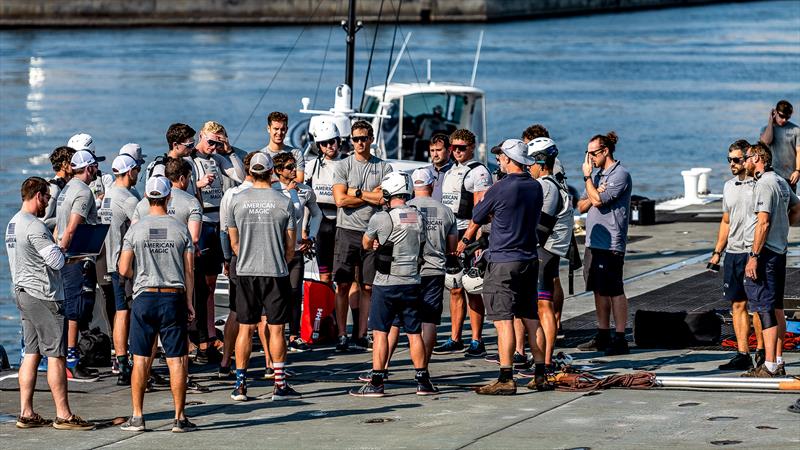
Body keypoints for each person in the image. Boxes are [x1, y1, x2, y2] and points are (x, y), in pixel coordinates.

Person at [6, 177, 94, 430]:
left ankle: (26, 412)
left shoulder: (12, 224)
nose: (48, 203)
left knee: (31, 353)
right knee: (57, 354)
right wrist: (72, 257)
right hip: (43, 296)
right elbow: (55, 262)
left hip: (22, 293)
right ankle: (64, 415)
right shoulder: (35, 226)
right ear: (38, 196)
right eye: (47, 197)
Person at [118, 176, 197, 433]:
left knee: (140, 359)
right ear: (168, 197)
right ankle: (179, 418)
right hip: (173, 296)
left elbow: (123, 268)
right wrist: (189, 302)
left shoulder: (136, 229)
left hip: (145, 296)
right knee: (177, 360)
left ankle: (138, 417)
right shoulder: (180, 229)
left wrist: (141, 275)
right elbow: (189, 271)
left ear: (147, 199)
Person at [350, 171, 437, 397]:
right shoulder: (418, 216)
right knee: (414, 333)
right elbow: (422, 242)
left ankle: (377, 381)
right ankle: (423, 380)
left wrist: (379, 243)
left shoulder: (381, 217)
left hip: (387, 283)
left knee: (380, 332)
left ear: (389, 192)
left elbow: (366, 243)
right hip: (412, 281)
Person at [226, 152, 300, 401]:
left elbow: (234, 244)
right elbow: (291, 247)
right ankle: (279, 384)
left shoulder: (236, 200)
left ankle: (240, 385)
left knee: (245, 328)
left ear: (251, 172)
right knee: (277, 329)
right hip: (275, 271)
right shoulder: (284, 201)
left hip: (246, 271)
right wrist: (278, 258)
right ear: (271, 173)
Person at [473, 139, 543, 395]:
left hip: (503, 259)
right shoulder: (535, 186)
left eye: (501, 156)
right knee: (531, 317)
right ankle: (541, 373)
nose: (498, 160)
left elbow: (478, 214)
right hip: (528, 258)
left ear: (509, 159)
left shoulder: (501, 187)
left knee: (503, 321)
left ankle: (505, 377)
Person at [331, 120, 393, 352]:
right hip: (346, 231)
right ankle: (341, 334)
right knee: (343, 285)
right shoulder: (343, 165)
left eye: (363, 138)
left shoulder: (384, 167)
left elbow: (383, 199)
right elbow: (340, 200)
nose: (359, 142)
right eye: (355, 139)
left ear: (371, 139)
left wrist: (354, 192)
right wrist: (368, 195)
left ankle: (361, 334)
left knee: (368, 287)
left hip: (372, 232)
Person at [741, 142, 800, 377]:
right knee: (776, 307)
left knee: (764, 307)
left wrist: (754, 256)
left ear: (757, 157)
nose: (744, 162)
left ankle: (769, 365)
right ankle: (777, 360)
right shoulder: (780, 181)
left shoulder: (765, 183)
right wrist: (783, 224)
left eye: (746, 157)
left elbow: (763, 222)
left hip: (764, 253)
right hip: (778, 251)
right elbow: (797, 209)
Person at [191, 121, 245, 364]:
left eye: (218, 142)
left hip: (217, 222)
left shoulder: (218, 158)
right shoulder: (192, 159)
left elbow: (241, 177)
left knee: (212, 284)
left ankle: (211, 335)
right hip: (200, 220)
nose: (213, 147)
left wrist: (229, 150)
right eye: (210, 142)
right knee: (199, 285)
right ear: (201, 136)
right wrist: (198, 185)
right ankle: (199, 337)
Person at [435, 129, 492, 357]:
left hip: (469, 233)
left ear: (471, 148)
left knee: (472, 287)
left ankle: (477, 340)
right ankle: (455, 337)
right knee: (454, 287)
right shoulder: (450, 171)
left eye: (461, 148)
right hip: (451, 232)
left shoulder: (479, 172)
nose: (457, 152)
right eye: (453, 148)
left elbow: (481, 211)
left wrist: (472, 240)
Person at [576, 132, 633, 356]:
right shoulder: (597, 176)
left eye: (593, 154)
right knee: (598, 289)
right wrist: (593, 190)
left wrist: (588, 181)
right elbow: (581, 206)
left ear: (605, 151)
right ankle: (602, 333)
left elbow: (598, 202)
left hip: (611, 242)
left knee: (614, 290)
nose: (589, 159)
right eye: (587, 154)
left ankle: (620, 337)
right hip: (593, 241)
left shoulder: (620, 175)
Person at [710, 140, 764, 371]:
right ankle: (743, 354)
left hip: (753, 253)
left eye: (736, 159)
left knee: (758, 306)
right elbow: (726, 221)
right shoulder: (728, 186)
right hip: (732, 253)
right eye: (729, 159)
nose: (732, 163)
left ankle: (762, 352)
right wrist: (716, 253)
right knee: (737, 305)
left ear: (747, 159)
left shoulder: (760, 185)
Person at [55, 149, 105, 381]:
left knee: (66, 308)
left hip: (64, 254)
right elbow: (73, 227)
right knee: (74, 310)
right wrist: (64, 254)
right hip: (74, 257)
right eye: (94, 167)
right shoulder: (84, 192)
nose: (96, 171)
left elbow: (58, 226)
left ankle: (64, 356)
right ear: (88, 168)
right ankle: (72, 360)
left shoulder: (66, 188)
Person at [528, 137, 574, 378]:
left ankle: (545, 362)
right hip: (550, 250)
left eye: (530, 162)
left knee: (543, 306)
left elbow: (542, 225)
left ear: (540, 162)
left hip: (543, 251)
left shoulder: (546, 185)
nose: (528, 167)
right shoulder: (554, 182)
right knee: (542, 305)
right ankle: (543, 359)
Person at [98, 154, 142, 385]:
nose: (138, 173)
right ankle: (137, 363)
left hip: (112, 263)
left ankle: (121, 363)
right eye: (137, 169)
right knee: (134, 314)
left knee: (120, 312)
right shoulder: (127, 199)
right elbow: (140, 230)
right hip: (128, 265)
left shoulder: (108, 196)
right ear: (130, 171)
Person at [272, 152, 322, 353]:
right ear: (278, 171)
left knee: (294, 293)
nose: (294, 170)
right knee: (277, 294)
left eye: (294, 166)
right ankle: (276, 334)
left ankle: (294, 335)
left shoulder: (305, 190)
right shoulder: (273, 190)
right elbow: (292, 211)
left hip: (297, 250)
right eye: (289, 167)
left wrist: (311, 236)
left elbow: (316, 214)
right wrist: (291, 192)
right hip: (277, 251)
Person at [218, 152, 256, 378]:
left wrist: (226, 258)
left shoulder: (231, 194)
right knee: (260, 317)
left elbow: (224, 231)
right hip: (259, 260)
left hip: (236, 258)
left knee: (235, 310)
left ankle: (225, 362)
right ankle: (272, 365)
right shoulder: (267, 194)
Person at [304, 120, 346, 284]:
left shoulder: (347, 163)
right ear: (318, 146)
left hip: (342, 224)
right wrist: (303, 231)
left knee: (342, 279)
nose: (328, 146)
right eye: (323, 143)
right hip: (321, 226)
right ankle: (327, 310)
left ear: (338, 141)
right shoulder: (313, 166)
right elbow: (306, 201)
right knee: (325, 276)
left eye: (331, 142)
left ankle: (342, 309)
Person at [145, 123, 200, 196]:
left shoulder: (189, 162)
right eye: (190, 145)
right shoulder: (160, 168)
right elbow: (150, 195)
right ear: (175, 145)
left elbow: (195, 191)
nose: (193, 148)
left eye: (194, 143)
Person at [759, 100, 799, 192]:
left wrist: (798, 171)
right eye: (781, 116)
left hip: (789, 177)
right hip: (770, 176)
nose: (784, 120)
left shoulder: (796, 130)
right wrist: (770, 121)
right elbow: (766, 141)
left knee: (790, 205)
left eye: (787, 117)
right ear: (775, 112)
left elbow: (799, 151)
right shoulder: (766, 129)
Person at [260, 111, 305, 182]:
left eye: (282, 129)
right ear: (269, 129)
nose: (279, 133)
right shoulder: (261, 155)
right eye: (276, 129)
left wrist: (275, 183)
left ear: (287, 130)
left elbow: (300, 179)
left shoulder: (296, 153)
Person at [44, 146, 76, 232]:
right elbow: (44, 222)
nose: (77, 166)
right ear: (64, 165)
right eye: (74, 163)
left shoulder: (64, 186)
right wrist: (71, 216)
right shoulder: (54, 188)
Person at [426, 133, 453, 202]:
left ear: (449, 151)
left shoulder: (457, 171)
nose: (435, 154)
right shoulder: (425, 172)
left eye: (438, 150)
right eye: (432, 150)